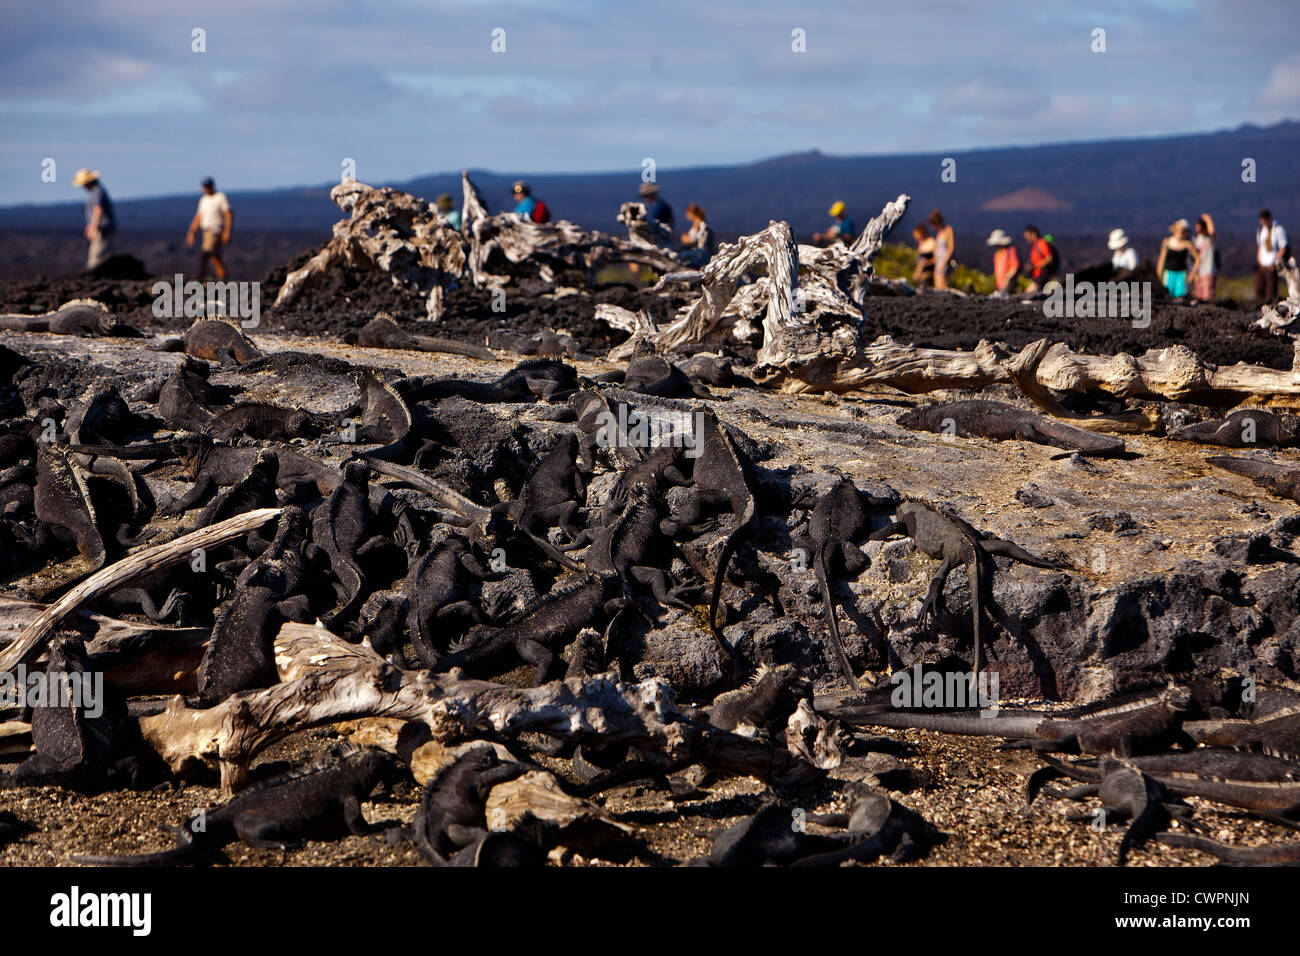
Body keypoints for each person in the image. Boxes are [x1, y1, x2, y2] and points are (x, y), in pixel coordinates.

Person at [185, 177, 232, 280]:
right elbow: (199, 217)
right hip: (205, 231)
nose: (206, 189)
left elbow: (228, 213)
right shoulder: (203, 200)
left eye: (208, 187)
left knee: (206, 252)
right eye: (204, 187)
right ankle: (222, 274)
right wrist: (192, 232)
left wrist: (227, 231)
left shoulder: (220, 197)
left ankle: (202, 276)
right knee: (214, 254)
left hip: (215, 229)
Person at [74, 168, 115, 271]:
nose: (83, 187)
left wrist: (93, 227)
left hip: (102, 229)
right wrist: (90, 226)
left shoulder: (97, 191)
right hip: (100, 228)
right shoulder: (95, 192)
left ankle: (96, 277)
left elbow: (98, 210)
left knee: (98, 255)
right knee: (96, 254)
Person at [1157, 219, 1200, 299]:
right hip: (1168, 274)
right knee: (1167, 296)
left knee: (1181, 297)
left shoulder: (1187, 244)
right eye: (1181, 230)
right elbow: (1162, 259)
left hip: (1182, 275)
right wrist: (1158, 273)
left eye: (1184, 230)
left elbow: (1198, 259)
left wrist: (1192, 274)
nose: (1182, 232)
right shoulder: (1167, 243)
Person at [1256, 208, 1289, 306]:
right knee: (1259, 290)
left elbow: (1283, 247)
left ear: (1268, 219)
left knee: (1271, 292)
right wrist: (1259, 261)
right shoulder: (1261, 230)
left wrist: (1275, 262)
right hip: (1262, 266)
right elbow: (1260, 246)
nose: (1262, 223)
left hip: (1272, 266)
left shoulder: (1278, 230)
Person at [1022, 224, 1056, 292]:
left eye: (1028, 236)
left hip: (1041, 275)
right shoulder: (1035, 245)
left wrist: (1036, 267)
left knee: (1030, 292)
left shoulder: (1041, 243)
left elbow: (1049, 258)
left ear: (1034, 234)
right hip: (1037, 276)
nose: (1026, 239)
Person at [986, 229, 1019, 295]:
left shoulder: (1011, 250)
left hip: (1008, 284)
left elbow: (1015, 267)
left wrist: (1006, 280)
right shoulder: (998, 253)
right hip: (999, 284)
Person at [1192, 214, 1216, 301]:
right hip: (1198, 272)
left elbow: (1212, 232)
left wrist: (1208, 219)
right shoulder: (1195, 239)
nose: (1198, 230)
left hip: (1208, 271)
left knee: (1208, 297)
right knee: (1197, 297)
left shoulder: (1209, 239)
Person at [929, 210, 955, 290]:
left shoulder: (948, 230)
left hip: (945, 262)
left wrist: (944, 262)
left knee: (942, 286)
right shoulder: (939, 233)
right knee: (937, 286)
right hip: (938, 262)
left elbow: (951, 248)